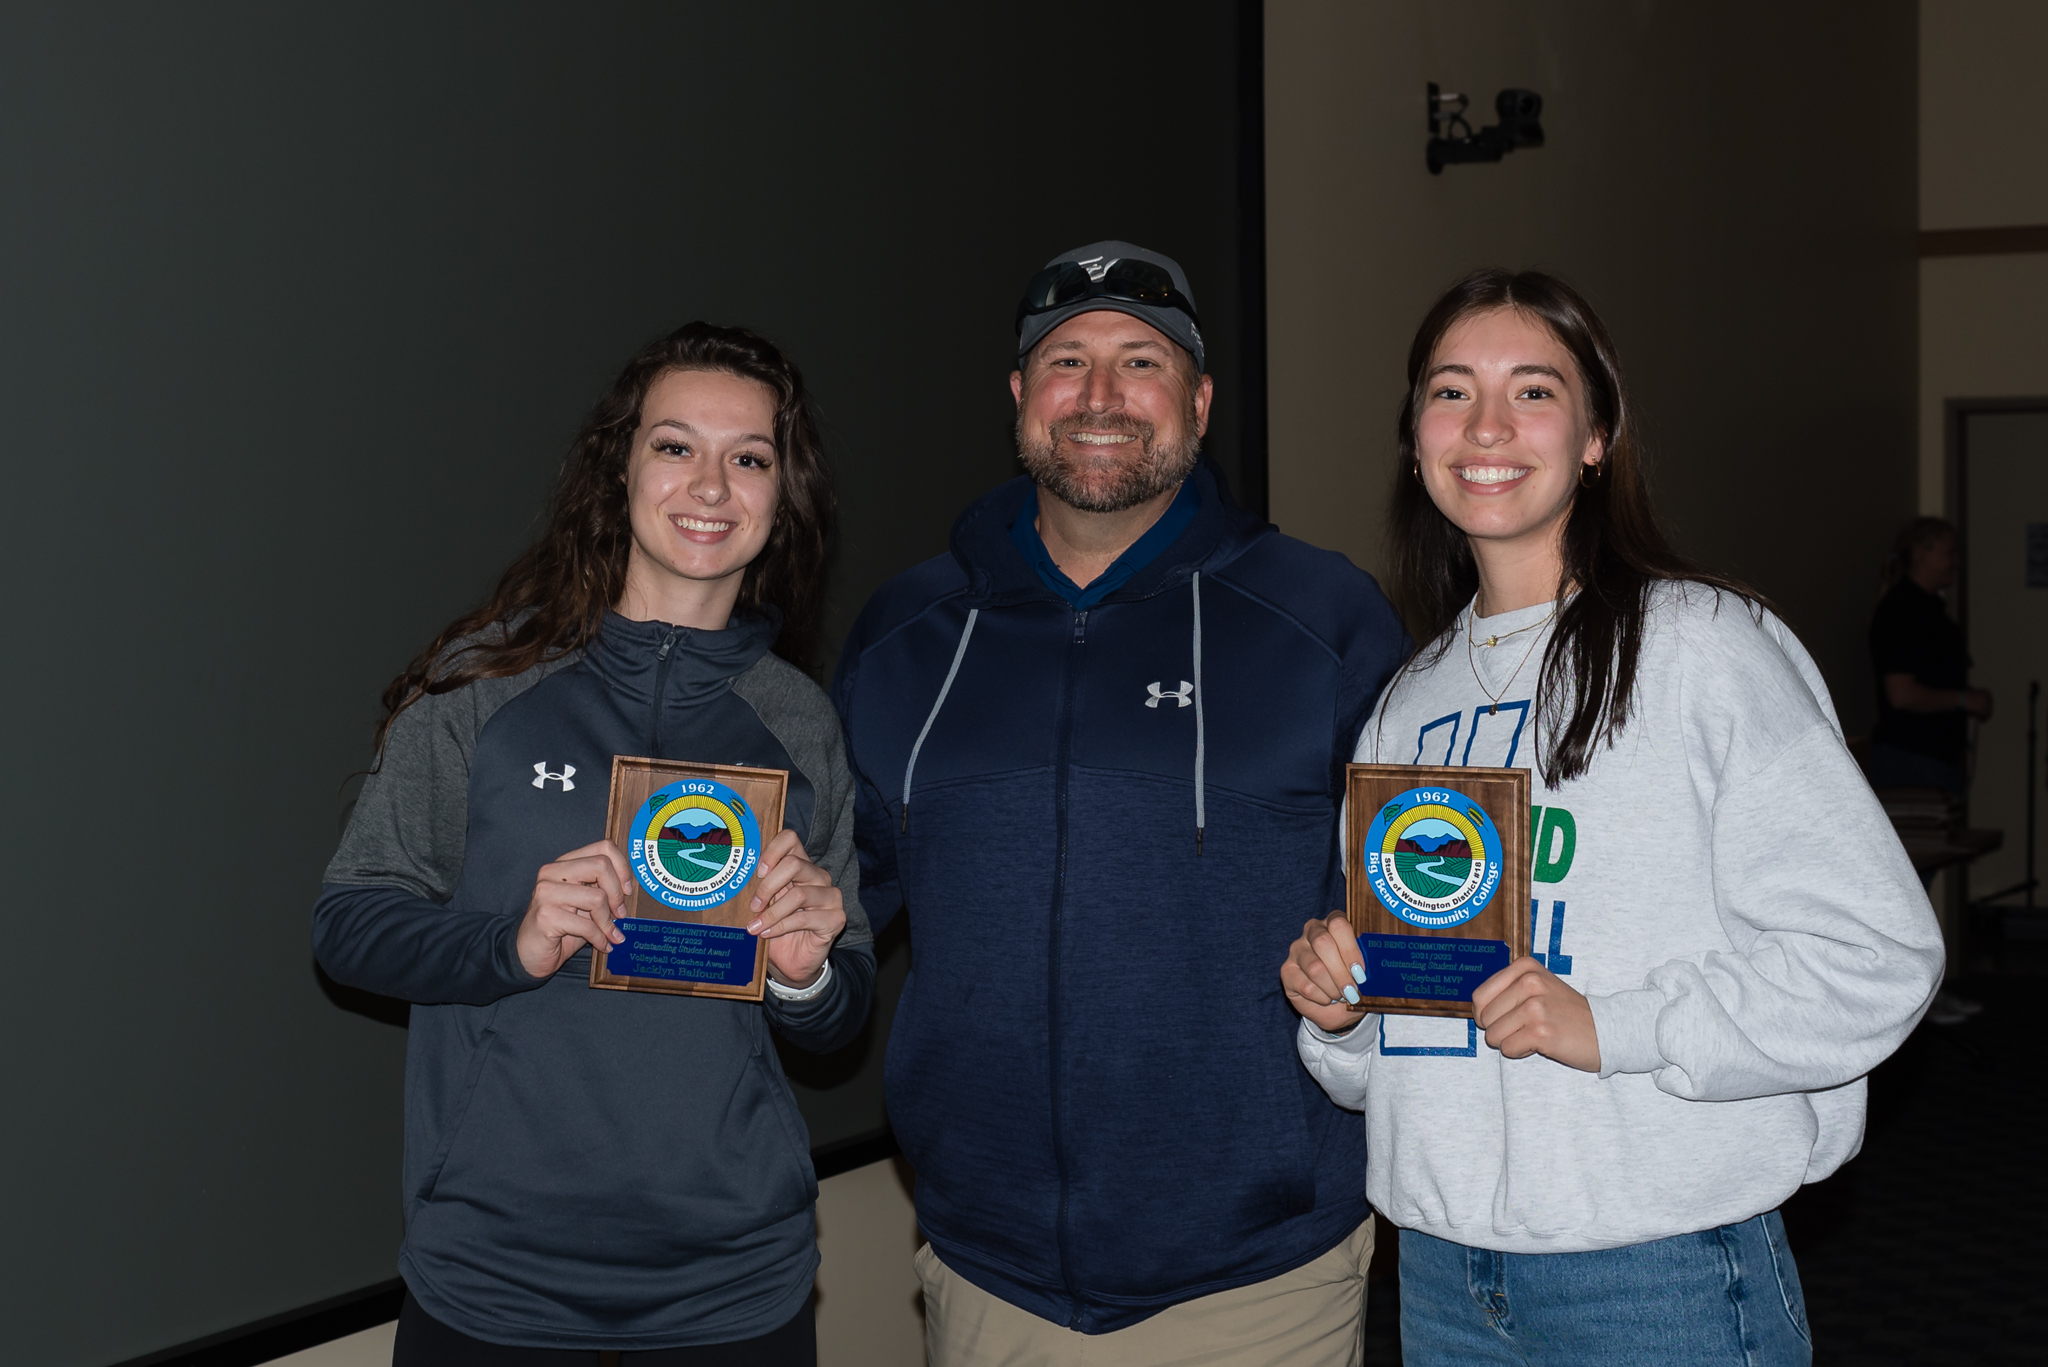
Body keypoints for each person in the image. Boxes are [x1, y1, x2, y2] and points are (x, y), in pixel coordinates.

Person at [1279, 269, 1943, 1366]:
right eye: (1450, 391)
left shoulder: (1701, 646)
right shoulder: (1408, 697)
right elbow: (1400, 1043)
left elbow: (1874, 955)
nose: (1485, 425)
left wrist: (1617, 1024)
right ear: (1412, 438)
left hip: (1656, 1274)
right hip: (1443, 1273)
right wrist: (1337, 1011)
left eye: (1532, 391)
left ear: (1595, 435)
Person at [832, 241, 1408, 1365]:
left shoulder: (1323, 619)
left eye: (1139, 362)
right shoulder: (905, 634)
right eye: (1065, 361)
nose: (1098, 397)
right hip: (985, 1269)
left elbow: (1412, 912)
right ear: (1018, 397)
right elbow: (833, 900)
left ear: (1196, 401)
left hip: (1256, 1277)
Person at [312, 323, 871, 1364]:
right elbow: (347, 922)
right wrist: (505, 945)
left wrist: (804, 978)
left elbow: (836, 1017)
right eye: (674, 446)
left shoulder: (797, 722)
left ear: (780, 494)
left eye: (747, 457)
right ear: (617, 468)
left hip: (735, 1289)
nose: (710, 484)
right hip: (495, 1285)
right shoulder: (484, 686)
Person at [1868, 516, 1990, 797]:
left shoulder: (1930, 612)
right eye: (1949, 554)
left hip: (1931, 760)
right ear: (1921, 554)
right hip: (1911, 763)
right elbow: (1901, 694)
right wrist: (1963, 699)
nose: (1956, 562)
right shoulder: (1902, 611)